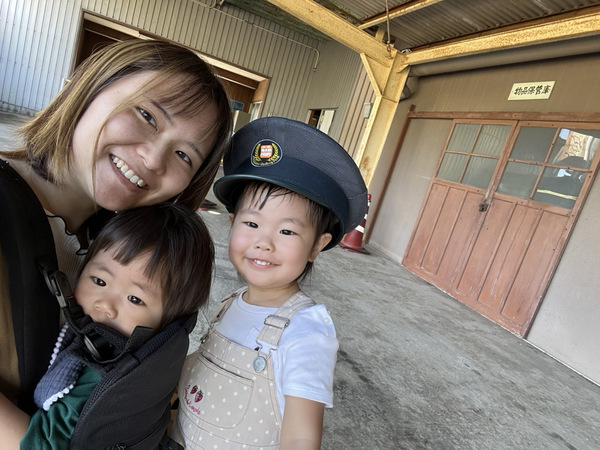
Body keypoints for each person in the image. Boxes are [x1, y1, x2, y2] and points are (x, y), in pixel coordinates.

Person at [0, 39, 232, 411]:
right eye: (147, 115)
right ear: (90, 88)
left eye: (184, 155)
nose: (153, 159)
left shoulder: (118, 245)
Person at [172, 117, 368, 449]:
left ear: (317, 246)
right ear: (231, 224)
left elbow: (301, 439)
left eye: (287, 231)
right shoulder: (230, 304)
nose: (264, 242)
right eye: (251, 223)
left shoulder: (306, 331)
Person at [0, 202, 215, 449]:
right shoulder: (92, 332)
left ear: (167, 322)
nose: (106, 305)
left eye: (135, 299)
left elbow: (43, 444)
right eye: (99, 280)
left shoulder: (102, 374)